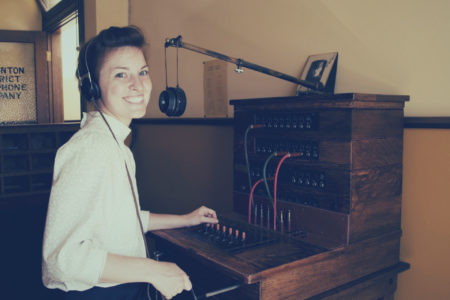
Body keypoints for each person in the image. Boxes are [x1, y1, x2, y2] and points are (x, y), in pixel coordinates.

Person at [42, 25, 218, 300]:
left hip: (122, 287)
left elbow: (124, 219)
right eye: (121, 74)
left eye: (143, 72)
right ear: (93, 85)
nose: (138, 85)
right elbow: (61, 259)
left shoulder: (116, 145)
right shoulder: (88, 148)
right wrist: (152, 270)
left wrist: (186, 219)